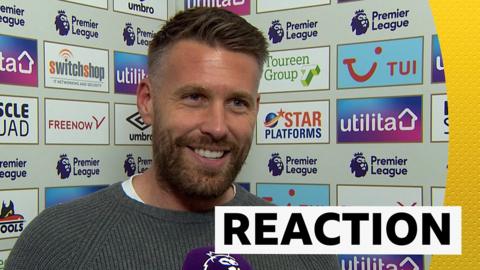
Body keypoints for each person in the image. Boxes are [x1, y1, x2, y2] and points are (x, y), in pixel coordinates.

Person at [6, 8, 339, 269]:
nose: (218, 127)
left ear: (256, 109)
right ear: (147, 101)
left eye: (238, 103)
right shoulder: (57, 243)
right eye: (195, 97)